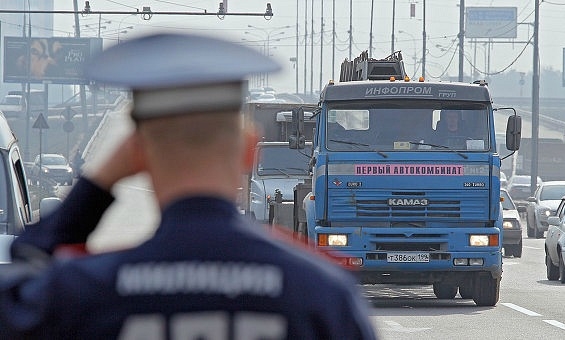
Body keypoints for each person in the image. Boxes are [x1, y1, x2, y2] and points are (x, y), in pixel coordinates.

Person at [0, 33, 376, 339]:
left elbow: (21, 274)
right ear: (249, 151)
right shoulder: (320, 294)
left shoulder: (81, 292)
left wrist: (96, 186)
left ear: (138, 155)